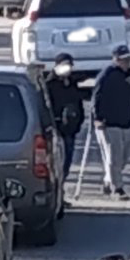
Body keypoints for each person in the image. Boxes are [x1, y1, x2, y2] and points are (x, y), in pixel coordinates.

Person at [92, 44, 130, 200]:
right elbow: (97, 97)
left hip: (126, 121)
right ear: (115, 59)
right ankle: (117, 188)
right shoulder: (107, 75)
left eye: (127, 59)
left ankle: (109, 180)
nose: (126, 62)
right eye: (122, 59)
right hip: (109, 123)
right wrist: (98, 118)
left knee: (124, 157)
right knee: (114, 157)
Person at [46, 53, 84, 185]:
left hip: (70, 130)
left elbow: (78, 104)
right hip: (56, 130)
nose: (67, 69)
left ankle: (61, 190)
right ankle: (57, 192)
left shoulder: (72, 84)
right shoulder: (49, 85)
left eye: (69, 65)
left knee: (66, 163)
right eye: (64, 65)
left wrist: (78, 123)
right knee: (56, 164)